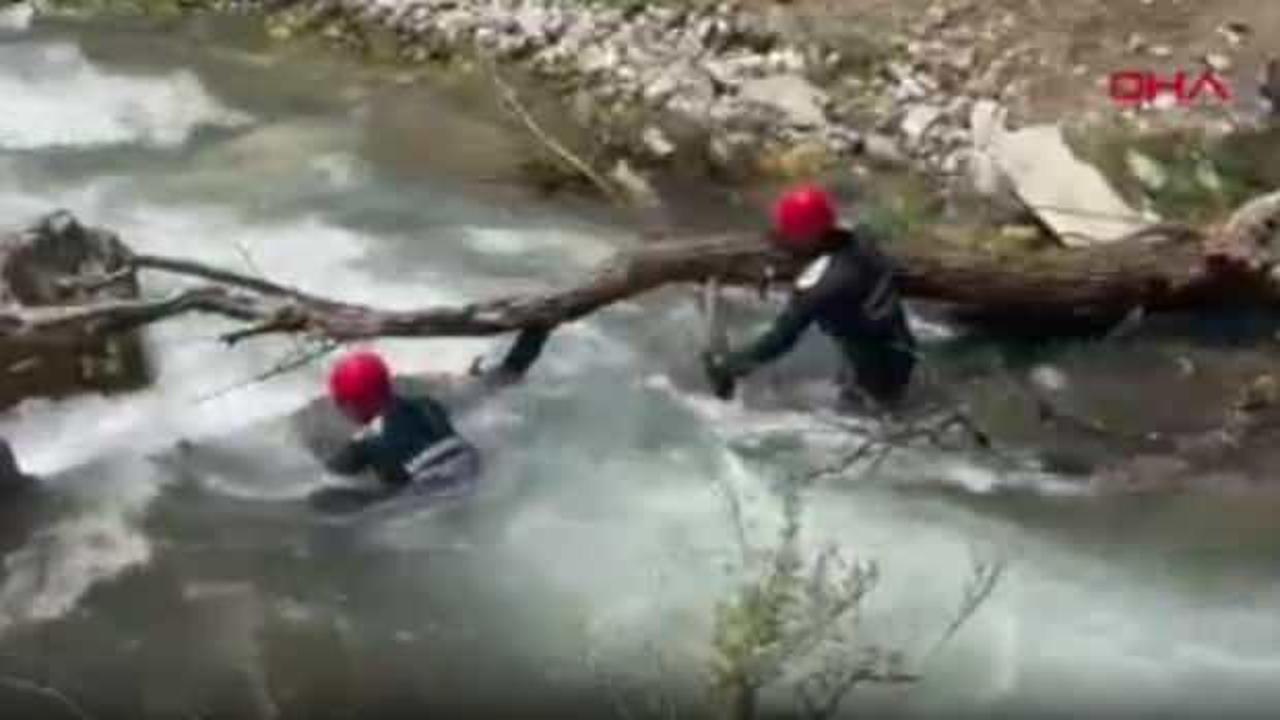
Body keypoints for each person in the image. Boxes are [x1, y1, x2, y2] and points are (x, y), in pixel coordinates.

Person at [702, 185, 917, 411]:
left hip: (874, 373)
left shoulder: (822, 287)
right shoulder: (860, 241)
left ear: (807, 237)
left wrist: (730, 366)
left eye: (788, 232)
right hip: (899, 347)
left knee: (866, 411)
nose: (783, 236)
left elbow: (779, 340)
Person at [323, 327, 550, 495]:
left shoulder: (364, 443)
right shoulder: (427, 405)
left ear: (354, 404)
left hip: (431, 495)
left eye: (342, 403)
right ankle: (541, 326)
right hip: (474, 470)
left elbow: (328, 477)